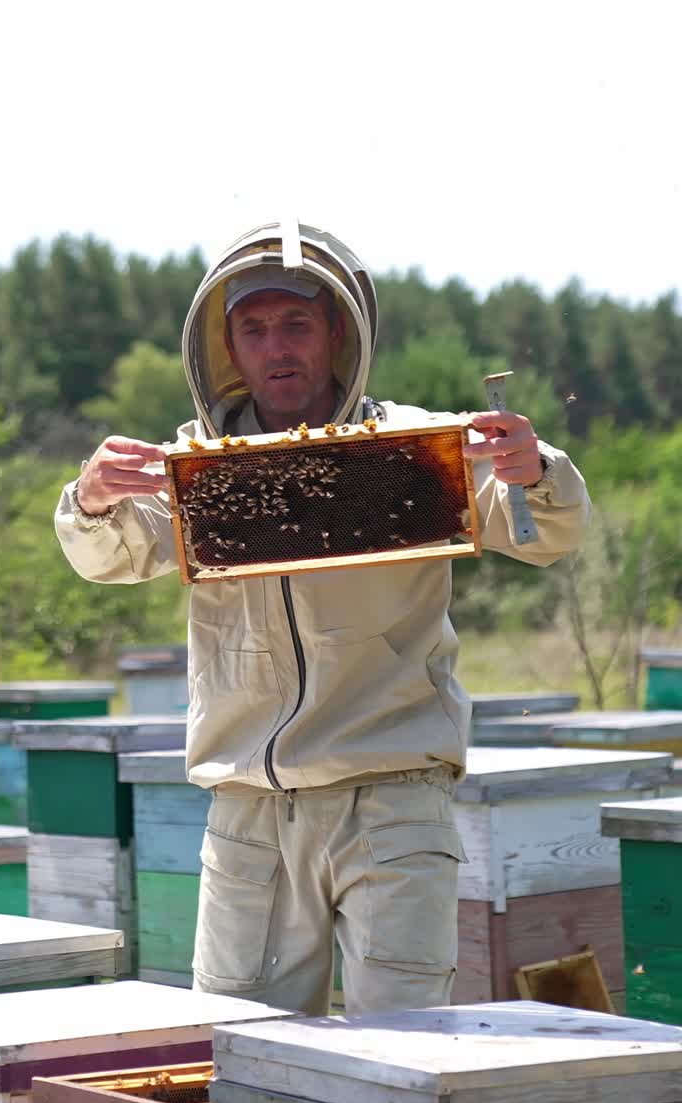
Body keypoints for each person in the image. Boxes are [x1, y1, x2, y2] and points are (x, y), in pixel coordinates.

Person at [55, 220, 591, 1015]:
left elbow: (541, 531)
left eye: (297, 323)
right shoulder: (195, 467)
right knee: (240, 1051)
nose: (277, 346)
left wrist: (536, 470)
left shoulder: (415, 448)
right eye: (255, 328)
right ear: (227, 347)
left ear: (338, 333)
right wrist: (90, 499)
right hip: (251, 810)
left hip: (393, 797)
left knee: (405, 1053)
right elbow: (108, 556)